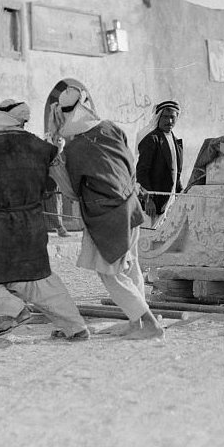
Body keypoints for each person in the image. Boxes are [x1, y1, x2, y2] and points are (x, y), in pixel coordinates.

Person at [0, 99, 89, 340]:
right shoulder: (43, 147)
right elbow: (50, 188)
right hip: (33, 223)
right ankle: (76, 326)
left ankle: (16, 311)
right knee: (38, 280)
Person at [49, 86, 164, 340]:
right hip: (131, 206)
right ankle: (138, 323)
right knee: (131, 266)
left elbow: (71, 191)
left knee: (109, 272)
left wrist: (56, 163)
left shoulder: (75, 148)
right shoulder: (112, 127)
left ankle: (149, 324)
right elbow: (129, 166)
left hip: (107, 217)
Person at [136, 100, 183, 218]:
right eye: (165, 117)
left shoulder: (176, 142)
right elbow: (142, 172)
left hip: (170, 204)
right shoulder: (152, 139)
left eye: (172, 117)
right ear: (158, 118)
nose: (169, 121)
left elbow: (175, 173)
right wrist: (148, 200)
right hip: (152, 206)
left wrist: (181, 193)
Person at [43, 132, 70, 237]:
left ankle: (59, 227)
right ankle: (59, 228)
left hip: (54, 180)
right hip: (47, 179)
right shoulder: (47, 147)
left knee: (56, 202)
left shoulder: (60, 149)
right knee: (52, 203)